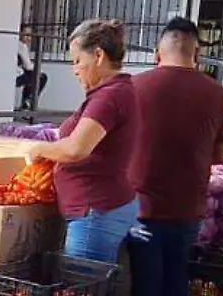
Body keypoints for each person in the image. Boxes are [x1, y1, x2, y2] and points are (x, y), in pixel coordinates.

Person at [124, 17, 223, 296]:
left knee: (147, 280)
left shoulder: (135, 86)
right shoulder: (216, 92)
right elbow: (222, 155)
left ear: (158, 51)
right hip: (190, 204)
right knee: (176, 274)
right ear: (196, 51)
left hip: (143, 204)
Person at [30, 18, 143, 264]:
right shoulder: (116, 91)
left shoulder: (109, 97)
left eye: (78, 61)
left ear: (98, 55)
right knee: (97, 290)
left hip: (96, 211)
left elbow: (76, 149)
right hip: (106, 205)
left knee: (82, 293)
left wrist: (41, 149)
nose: (75, 69)